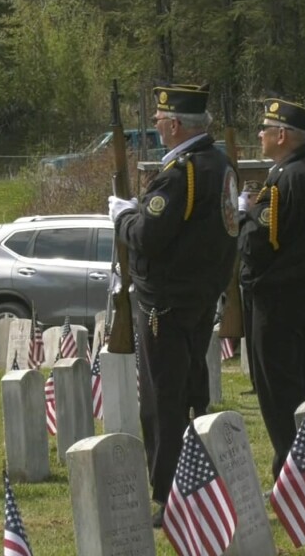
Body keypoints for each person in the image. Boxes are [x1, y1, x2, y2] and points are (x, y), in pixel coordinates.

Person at [107, 82, 238, 528]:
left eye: (161, 121)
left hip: (164, 301)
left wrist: (123, 216)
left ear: (177, 125)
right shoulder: (219, 165)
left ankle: (169, 495)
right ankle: (197, 482)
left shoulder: (182, 173)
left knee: (163, 400)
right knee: (190, 391)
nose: (158, 127)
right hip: (199, 296)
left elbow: (148, 236)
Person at [238, 97, 305, 481]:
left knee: (278, 392)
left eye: (265, 129)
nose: (260, 136)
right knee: (297, 386)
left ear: (282, 135)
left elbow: (256, 243)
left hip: (277, 297)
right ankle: (301, 469)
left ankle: (290, 470)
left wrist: (245, 215)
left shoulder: (284, 179)